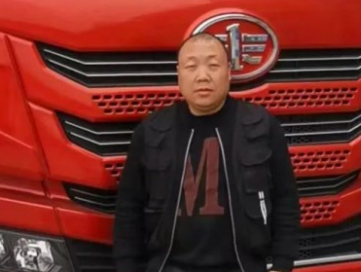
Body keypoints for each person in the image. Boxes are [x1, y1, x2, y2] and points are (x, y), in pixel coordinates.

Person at [113, 32, 301, 272]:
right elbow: (129, 207)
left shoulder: (262, 126)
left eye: (213, 65)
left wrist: (282, 264)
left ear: (229, 72)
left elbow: (286, 198)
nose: (203, 76)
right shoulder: (151, 131)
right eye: (191, 67)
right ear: (179, 74)